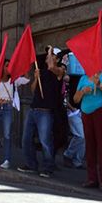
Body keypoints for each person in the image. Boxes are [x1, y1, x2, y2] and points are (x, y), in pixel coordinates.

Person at [18, 46, 64, 178]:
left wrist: (50, 51)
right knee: (26, 139)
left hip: (45, 112)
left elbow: (51, 67)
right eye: (48, 54)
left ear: (57, 58)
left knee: (45, 141)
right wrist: (35, 78)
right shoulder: (42, 71)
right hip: (33, 109)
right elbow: (33, 90)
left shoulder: (60, 71)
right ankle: (31, 164)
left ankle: (48, 167)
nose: (48, 56)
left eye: (51, 55)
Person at [74, 70, 102, 192]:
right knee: (89, 145)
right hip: (86, 113)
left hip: (100, 111)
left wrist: (100, 85)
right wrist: (82, 91)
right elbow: (75, 99)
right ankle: (92, 178)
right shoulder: (83, 78)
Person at [0, 59, 28, 169]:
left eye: (11, 66)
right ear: (2, 68)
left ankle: (6, 160)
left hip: (8, 108)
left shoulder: (14, 80)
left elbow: (27, 80)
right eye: (7, 66)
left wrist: (23, 68)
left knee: (7, 135)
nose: (9, 68)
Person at [63, 74, 85, 169]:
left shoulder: (84, 78)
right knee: (81, 135)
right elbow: (63, 98)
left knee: (84, 137)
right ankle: (69, 154)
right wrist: (72, 109)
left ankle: (78, 161)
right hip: (73, 111)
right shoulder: (65, 82)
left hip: (82, 110)